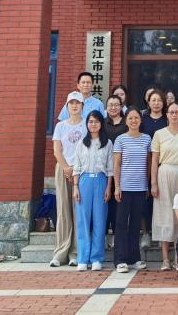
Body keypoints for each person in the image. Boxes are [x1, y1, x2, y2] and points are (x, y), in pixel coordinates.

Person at [151, 102, 178, 271]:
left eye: (177, 112)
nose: (174, 115)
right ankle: (165, 259)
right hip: (164, 173)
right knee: (164, 214)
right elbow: (154, 160)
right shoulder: (159, 134)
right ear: (167, 114)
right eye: (171, 112)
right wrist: (153, 183)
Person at [71, 110, 114, 271]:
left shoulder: (107, 143)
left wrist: (108, 187)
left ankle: (96, 258)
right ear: (87, 124)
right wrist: (75, 187)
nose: (93, 124)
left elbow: (110, 168)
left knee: (99, 221)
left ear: (101, 124)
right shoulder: (81, 144)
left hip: (101, 181)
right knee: (82, 220)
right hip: (84, 182)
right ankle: (83, 258)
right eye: (90, 121)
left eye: (96, 121)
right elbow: (77, 167)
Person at [112, 109, 151, 272]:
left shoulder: (147, 139)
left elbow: (148, 164)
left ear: (140, 120)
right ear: (126, 121)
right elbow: (116, 164)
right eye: (130, 118)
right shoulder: (120, 139)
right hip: (124, 188)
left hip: (140, 188)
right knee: (121, 224)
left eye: (136, 118)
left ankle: (134, 258)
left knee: (135, 224)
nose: (134, 120)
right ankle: (120, 260)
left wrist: (147, 185)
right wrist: (117, 186)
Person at [50, 92, 86, 267]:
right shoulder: (60, 126)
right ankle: (61, 252)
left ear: (82, 106)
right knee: (63, 210)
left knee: (78, 210)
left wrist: (76, 169)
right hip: (63, 169)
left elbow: (88, 149)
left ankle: (75, 252)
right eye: (71, 103)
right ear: (67, 106)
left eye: (77, 103)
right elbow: (57, 150)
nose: (74, 106)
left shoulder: (87, 125)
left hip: (82, 170)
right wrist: (66, 167)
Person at [139, 89, 168, 249]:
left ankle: (163, 234)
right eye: (153, 100)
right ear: (148, 102)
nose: (156, 103)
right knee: (146, 200)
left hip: (163, 165)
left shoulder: (167, 120)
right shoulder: (142, 121)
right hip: (144, 164)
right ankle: (146, 233)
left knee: (163, 199)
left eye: (159, 100)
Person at [103, 96, 127, 241]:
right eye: (110, 105)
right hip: (105, 168)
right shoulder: (102, 123)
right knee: (106, 201)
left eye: (116, 105)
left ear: (121, 106)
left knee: (119, 202)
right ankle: (105, 234)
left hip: (123, 168)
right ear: (106, 107)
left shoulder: (126, 123)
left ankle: (118, 236)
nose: (113, 107)